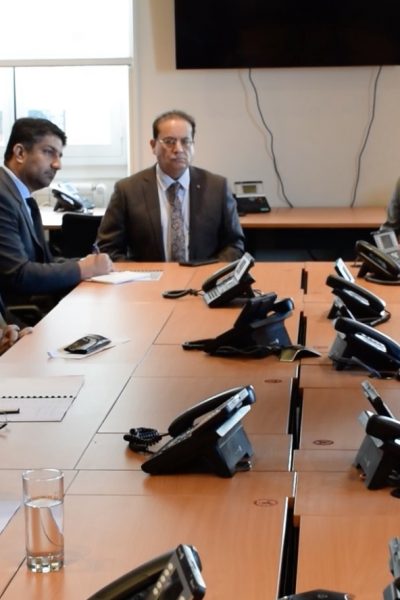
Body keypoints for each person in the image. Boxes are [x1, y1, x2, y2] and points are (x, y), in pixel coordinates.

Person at [0, 117, 113, 320]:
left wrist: (86, 263)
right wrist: (83, 268)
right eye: (48, 152)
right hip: (14, 321)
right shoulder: (2, 196)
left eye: (59, 155)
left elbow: (43, 261)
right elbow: (17, 275)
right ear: (20, 153)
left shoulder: (20, 196)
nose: (57, 164)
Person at [97, 109, 245, 262]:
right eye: (169, 141)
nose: (178, 149)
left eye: (185, 141)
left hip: (204, 275)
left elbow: (234, 244)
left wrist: (214, 272)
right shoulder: (127, 191)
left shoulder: (217, 188)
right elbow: (108, 249)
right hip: (148, 277)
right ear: (153, 146)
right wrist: (139, 273)